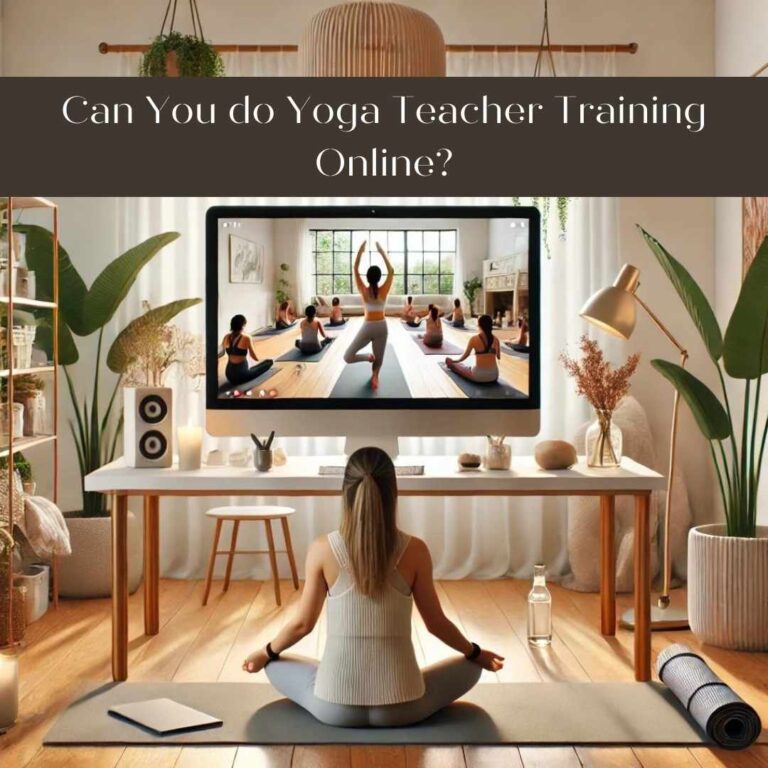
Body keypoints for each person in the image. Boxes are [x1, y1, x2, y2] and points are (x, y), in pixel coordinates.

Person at [243, 447, 504, 727]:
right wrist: (477, 653)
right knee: (470, 667)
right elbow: (437, 624)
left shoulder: (322, 549)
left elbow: (302, 625)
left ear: (345, 492)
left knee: (275, 663)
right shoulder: (415, 550)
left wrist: (265, 653)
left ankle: (323, 679)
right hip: (404, 708)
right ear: (394, 492)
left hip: (334, 708)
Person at [343, 240, 395, 390]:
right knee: (379, 359)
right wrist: (381, 250)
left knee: (348, 357)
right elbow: (391, 270)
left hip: (368, 327)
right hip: (382, 327)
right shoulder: (384, 290)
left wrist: (361, 250)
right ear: (379, 278)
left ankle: (369, 361)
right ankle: (375, 375)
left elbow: (355, 267)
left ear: (367, 278)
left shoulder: (363, 290)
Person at [445, 314, 500, 384]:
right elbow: (498, 357)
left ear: (479, 325)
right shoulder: (496, 340)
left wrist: (454, 361)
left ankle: (451, 363)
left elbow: (464, 357)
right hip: (494, 375)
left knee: (457, 366)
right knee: (469, 367)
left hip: (478, 376)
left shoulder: (474, 339)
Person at [222, 314, 273, 385]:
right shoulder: (246, 338)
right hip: (241, 375)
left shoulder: (226, 337)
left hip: (229, 375)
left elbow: (223, 351)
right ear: (242, 326)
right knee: (268, 362)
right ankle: (268, 362)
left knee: (254, 367)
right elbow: (255, 358)